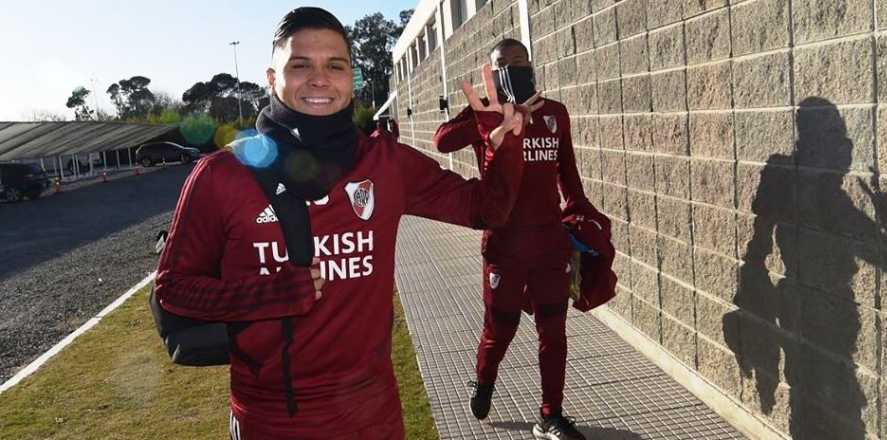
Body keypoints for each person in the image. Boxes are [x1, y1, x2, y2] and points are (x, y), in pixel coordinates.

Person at [153, 7, 526, 439]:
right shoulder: (222, 175)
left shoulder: (386, 164)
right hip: (271, 419)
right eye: (300, 65)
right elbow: (173, 288)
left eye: (336, 65)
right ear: (272, 79)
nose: (320, 78)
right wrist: (264, 295)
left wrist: (504, 147)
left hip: (374, 414)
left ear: (353, 79)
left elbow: (487, 210)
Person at [434, 38, 603, 440]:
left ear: (531, 65)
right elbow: (442, 141)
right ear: (491, 74)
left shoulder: (556, 115)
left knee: (554, 331)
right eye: (500, 64)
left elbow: (569, 175)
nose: (510, 68)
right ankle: (484, 379)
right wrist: (488, 116)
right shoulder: (487, 116)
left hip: (549, 244)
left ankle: (551, 414)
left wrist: (582, 218)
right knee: (501, 328)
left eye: (517, 61)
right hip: (504, 246)